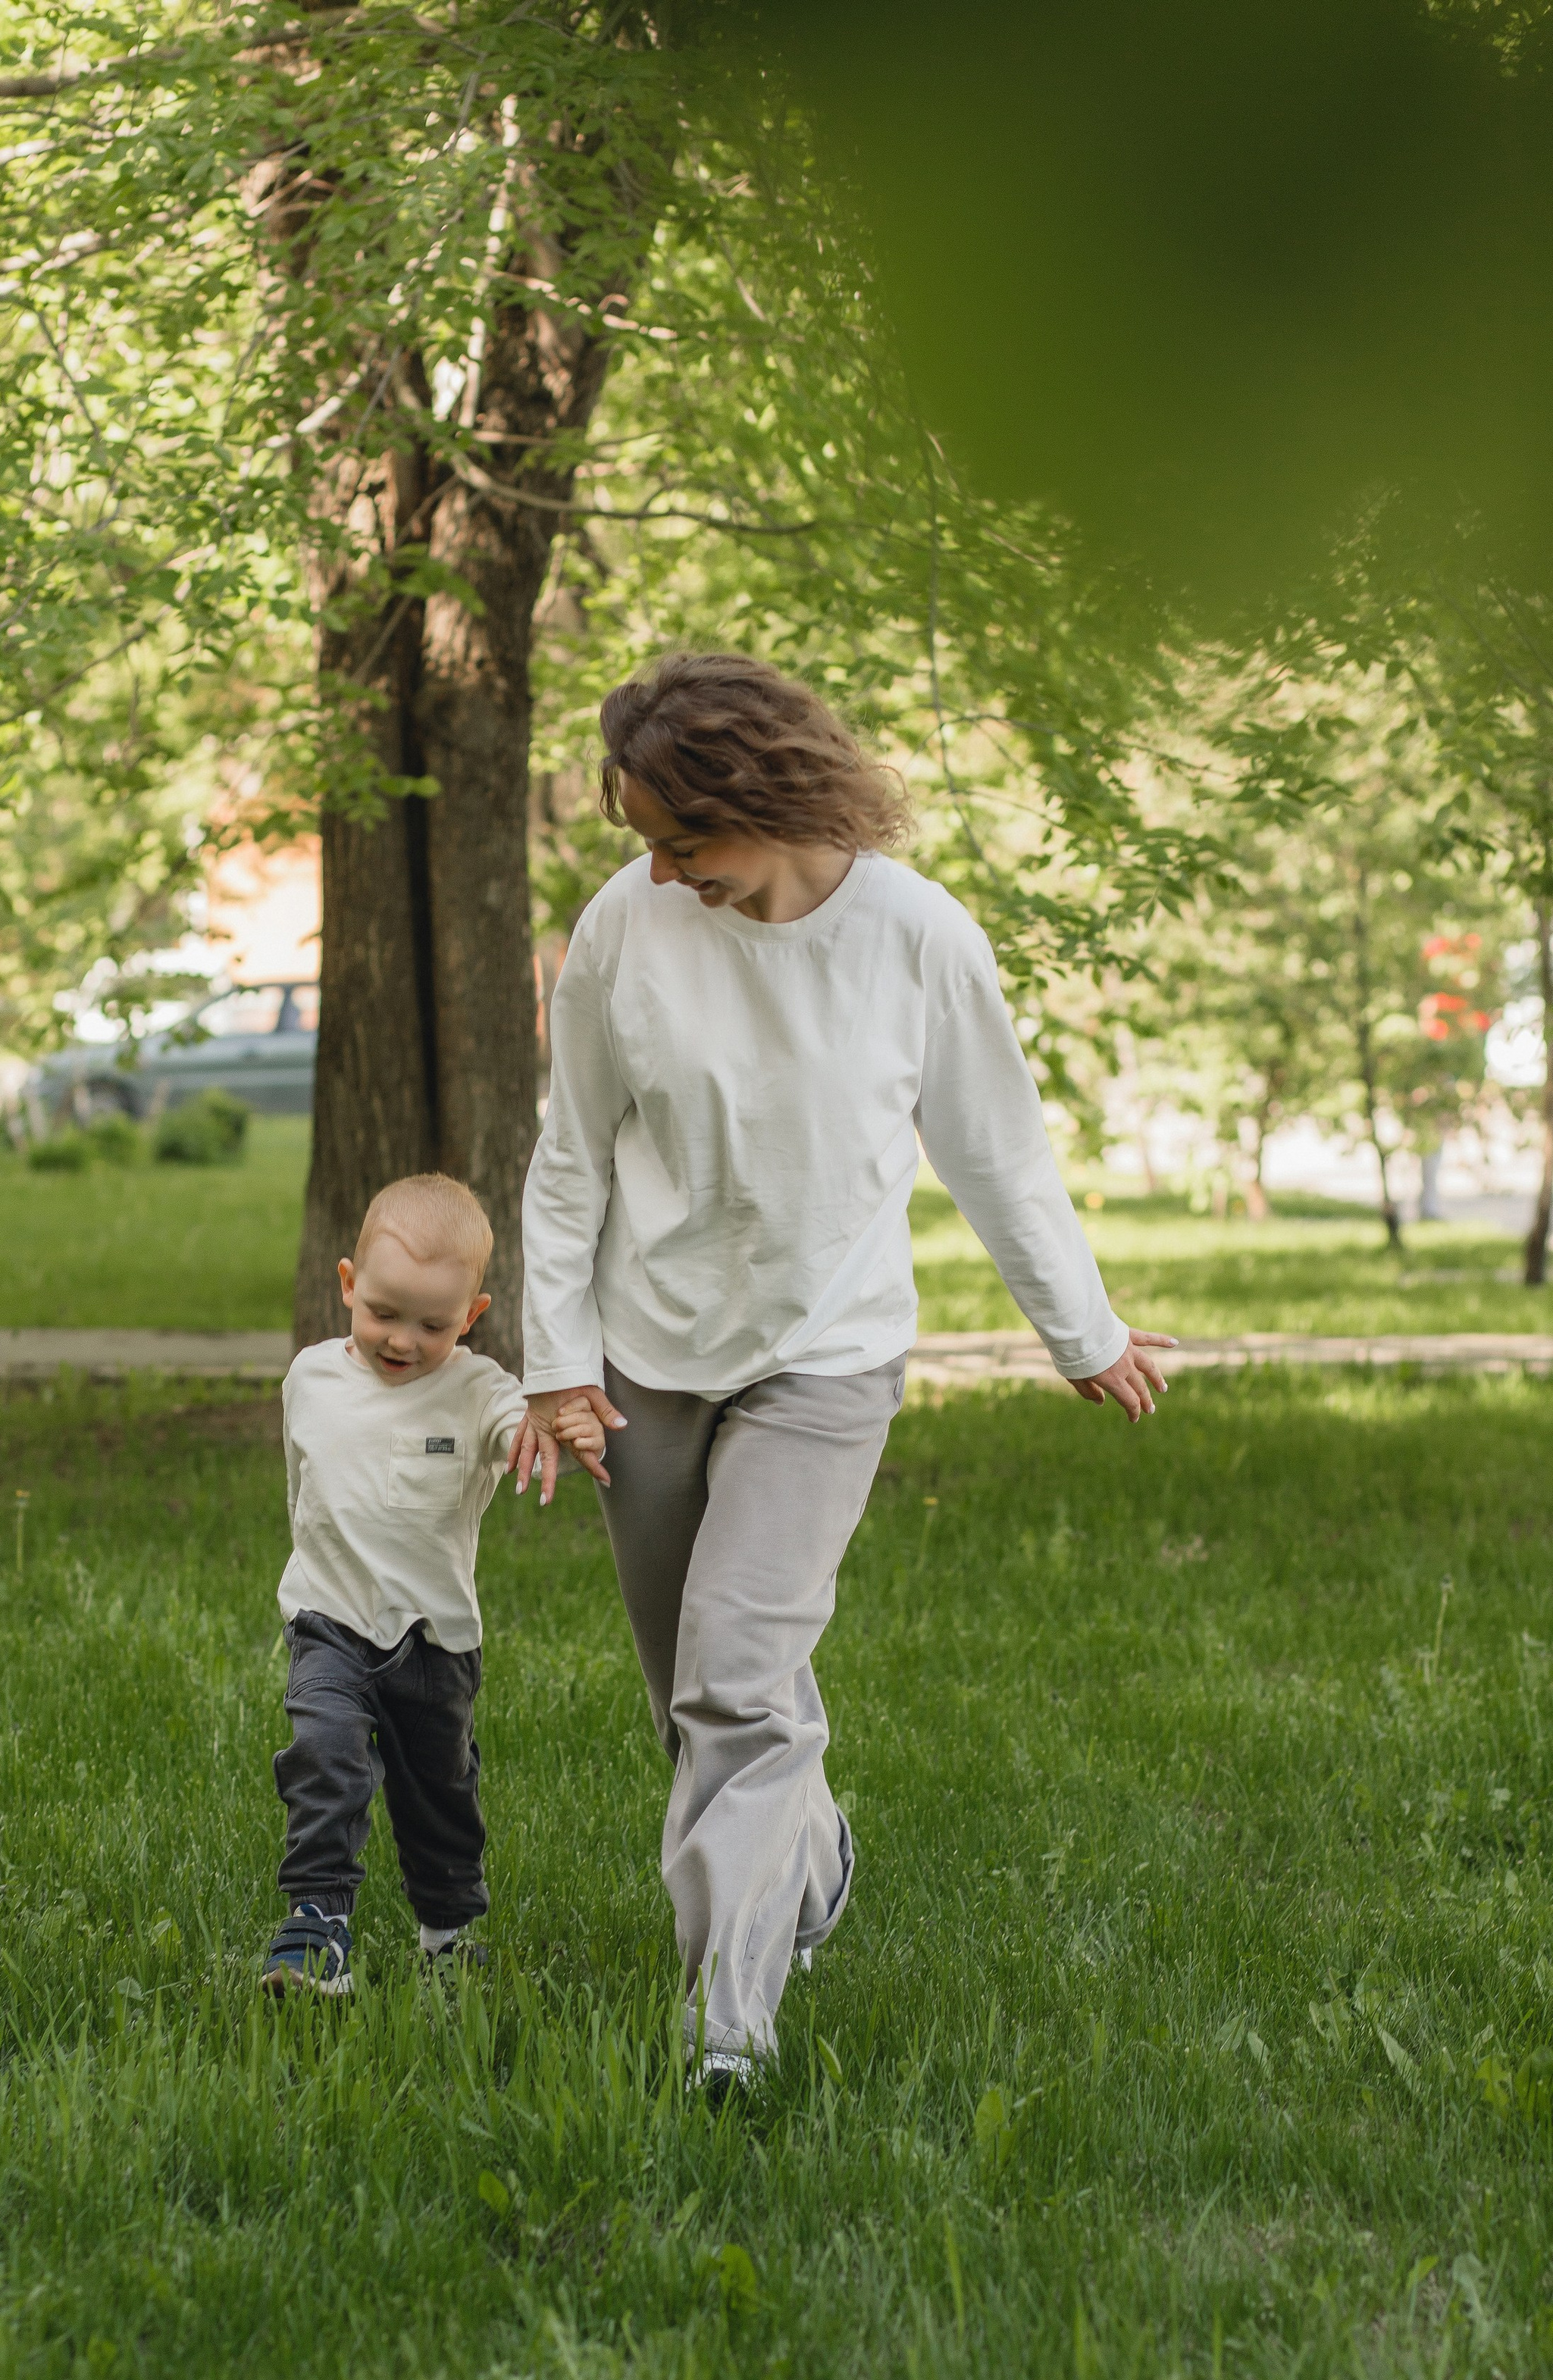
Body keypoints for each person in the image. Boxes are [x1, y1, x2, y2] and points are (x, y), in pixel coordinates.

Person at [512, 651, 1172, 2091]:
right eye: (644, 843)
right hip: (646, 1361)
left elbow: (995, 1150)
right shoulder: (626, 928)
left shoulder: (919, 938)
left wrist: (1085, 1333)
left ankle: (728, 2026)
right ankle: (807, 1869)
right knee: (691, 1696)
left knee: (740, 1684)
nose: (668, 871)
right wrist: (556, 1370)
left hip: (827, 1357)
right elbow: (568, 1165)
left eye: (688, 840)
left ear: (768, 794)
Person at [266, 1173, 606, 1997]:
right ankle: (316, 1924)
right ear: (347, 1284)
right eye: (382, 1312)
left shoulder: (479, 1389)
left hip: (435, 1639)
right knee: (324, 1756)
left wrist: (560, 1421)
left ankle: (447, 1934)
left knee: (439, 1791)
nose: (402, 1341)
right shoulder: (310, 1379)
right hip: (330, 1621)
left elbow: (515, 1424)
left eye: (434, 1324)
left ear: (474, 1316)